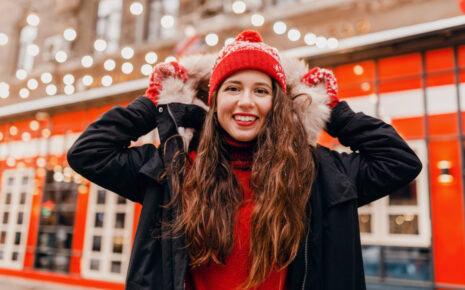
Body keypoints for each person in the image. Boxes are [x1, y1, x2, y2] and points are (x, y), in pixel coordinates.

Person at [67, 30, 422, 290]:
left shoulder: (316, 172)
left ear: (278, 104)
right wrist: (153, 102)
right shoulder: (172, 168)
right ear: (215, 99)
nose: (246, 102)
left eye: (261, 90)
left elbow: (398, 162)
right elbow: (89, 153)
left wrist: (333, 111)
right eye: (233, 88)